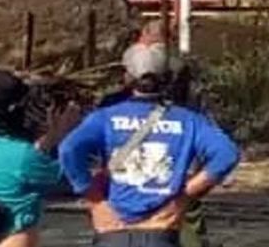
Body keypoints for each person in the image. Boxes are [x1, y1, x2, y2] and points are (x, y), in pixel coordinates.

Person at [59, 38, 240, 247]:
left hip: (113, 229)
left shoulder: (105, 117)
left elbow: (68, 150)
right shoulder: (189, 120)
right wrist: (183, 197)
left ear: (126, 77)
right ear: (168, 78)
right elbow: (227, 154)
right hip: (161, 229)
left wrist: (95, 202)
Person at [0, 69, 80, 247]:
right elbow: (66, 177)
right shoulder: (23, 155)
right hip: (12, 237)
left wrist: (49, 139)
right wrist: (62, 135)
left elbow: (21, 162)